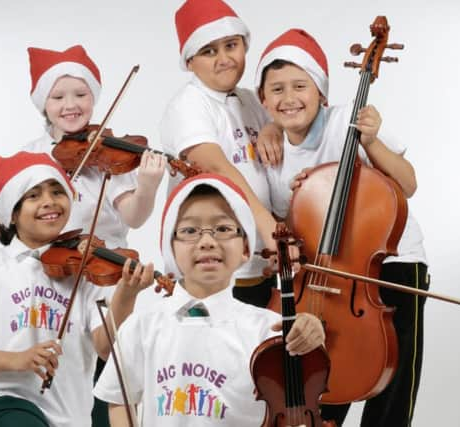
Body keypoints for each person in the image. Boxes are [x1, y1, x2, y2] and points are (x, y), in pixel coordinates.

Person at [255, 28, 429, 427]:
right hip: (324, 276)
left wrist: (371, 143)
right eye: (276, 89)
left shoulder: (347, 119)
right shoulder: (272, 149)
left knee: (393, 382)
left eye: (300, 85)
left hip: (391, 264)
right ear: (263, 101)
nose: (289, 97)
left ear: (321, 92)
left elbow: (408, 184)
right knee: (323, 378)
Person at [0, 151, 154, 427]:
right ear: (11, 213)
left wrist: (127, 294)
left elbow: (105, 347)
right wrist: (18, 360)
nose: (49, 202)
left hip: (69, 414)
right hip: (1, 401)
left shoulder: (84, 271)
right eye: (33, 195)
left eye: (57, 191)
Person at [93, 173, 326, 426]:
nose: (207, 242)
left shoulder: (268, 329)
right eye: (190, 230)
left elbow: (304, 389)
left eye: (223, 229)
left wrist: (311, 336)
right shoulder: (141, 327)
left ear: (246, 248)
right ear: (170, 248)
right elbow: (119, 400)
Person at [160, 0, 284, 308]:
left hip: (258, 266)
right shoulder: (187, 104)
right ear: (190, 61)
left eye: (231, 45)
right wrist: (264, 222)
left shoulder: (251, 100)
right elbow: (214, 165)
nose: (225, 59)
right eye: (209, 51)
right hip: (209, 271)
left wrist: (275, 127)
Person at [11, 45, 166, 249]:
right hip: (45, 268)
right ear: (43, 104)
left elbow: (134, 218)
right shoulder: (30, 155)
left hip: (102, 267)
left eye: (81, 95)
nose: (70, 105)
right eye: (58, 97)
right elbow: (1, 222)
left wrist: (147, 187)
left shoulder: (109, 156)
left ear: (93, 97)